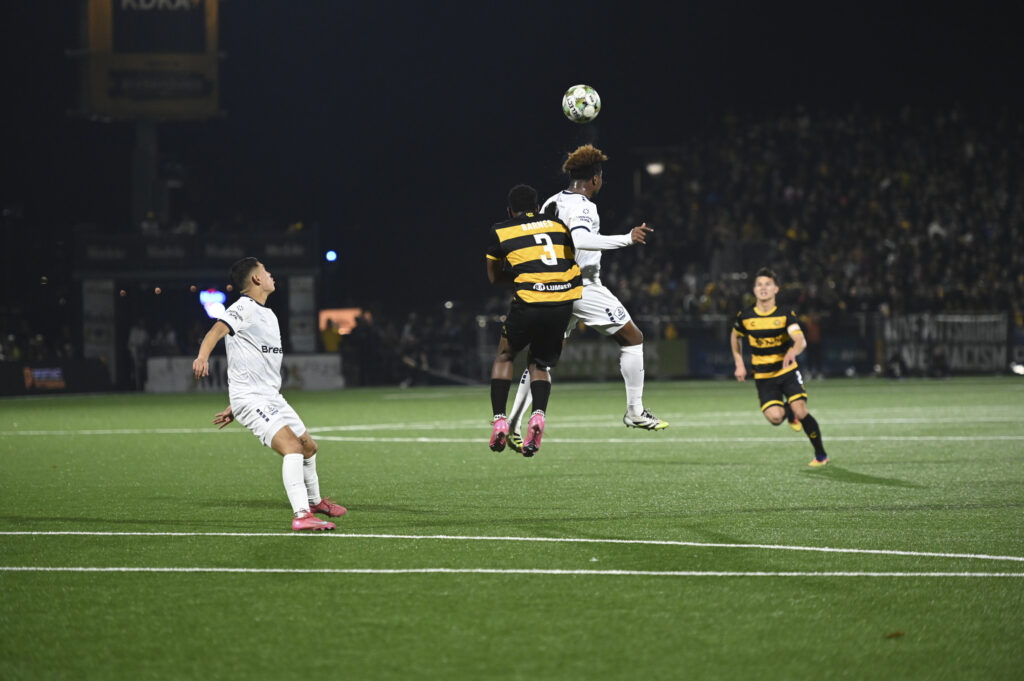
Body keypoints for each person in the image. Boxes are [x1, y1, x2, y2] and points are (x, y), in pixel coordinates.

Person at [505, 144, 668, 453]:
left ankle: (512, 423)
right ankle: (634, 411)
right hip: (581, 285)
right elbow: (580, 238)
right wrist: (626, 238)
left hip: (552, 288)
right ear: (595, 179)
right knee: (633, 338)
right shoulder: (584, 206)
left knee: (540, 361)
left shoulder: (551, 202)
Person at [192, 257, 347, 530]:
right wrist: (203, 357)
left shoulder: (268, 314)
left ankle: (314, 502)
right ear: (256, 279)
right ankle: (302, 515)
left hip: (269, 396)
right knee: (292, 447)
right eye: (265, 271)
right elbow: (216, 330)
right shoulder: (243, 307)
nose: (270, 274)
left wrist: (235, 404)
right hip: (252, 399)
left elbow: (251, 361)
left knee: (309, 448)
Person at [486, 184, 582, 457]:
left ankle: (500, 420)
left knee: (505, 355)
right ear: (538, 208)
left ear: (510, 210)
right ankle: (538, 416)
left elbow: (494, 277)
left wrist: (521, 277)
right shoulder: (558, 225)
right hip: (562, 302)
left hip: (529, 300)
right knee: (539, 363)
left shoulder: (501, 230)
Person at [730, 267, 829, 466]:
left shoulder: (785, 314)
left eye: (768, 284)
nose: (763, 288)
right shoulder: (746, 316)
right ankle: (788, 410)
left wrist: (793, 351)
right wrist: (739, 363)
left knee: (801, 411)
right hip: (763, 377)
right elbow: (735, 337)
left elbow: (800, 340)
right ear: (754, 290)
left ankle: (821, 455)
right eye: (759, 284)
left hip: (787, 372)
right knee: (775, 418)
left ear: (776, 289)